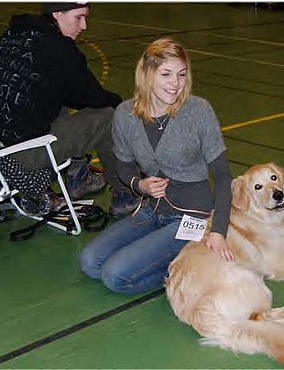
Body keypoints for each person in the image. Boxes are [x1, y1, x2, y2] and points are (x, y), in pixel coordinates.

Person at [79, 37, 234, 295]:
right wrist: (139, 185)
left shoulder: (199, 111)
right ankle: (180, 260)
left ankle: (183, 270)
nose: (175, 84)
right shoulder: (125, 115)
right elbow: (124, 167)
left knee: (115, 276)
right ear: (147, 74)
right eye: (166, 74)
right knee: (90, 262)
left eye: (181, 74)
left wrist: (218, 231)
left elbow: (221, 175)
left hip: (191, 217)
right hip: (151, 210)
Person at [0, 2, 138, 217]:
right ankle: (125, 195)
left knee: (57, 96)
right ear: (57, 14)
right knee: (107, 117)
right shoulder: (58, 48)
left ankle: (79, 175)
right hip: (14, 160)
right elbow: (94, 97)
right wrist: (122, 105)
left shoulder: (14, 34)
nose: (84, 25)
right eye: (78, 17)